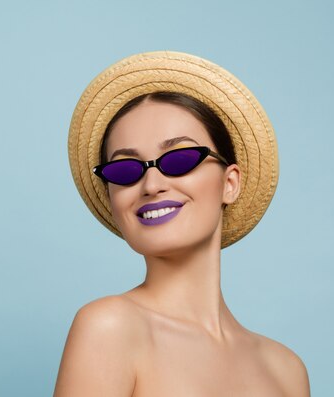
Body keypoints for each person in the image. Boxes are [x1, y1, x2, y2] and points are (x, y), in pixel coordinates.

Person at [53, 51, 310, 397]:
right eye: (126, 170)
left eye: (179, 159)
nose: (152, 184)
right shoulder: (109, 327)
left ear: (229, 183)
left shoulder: (287, 370)